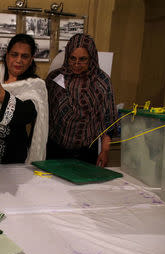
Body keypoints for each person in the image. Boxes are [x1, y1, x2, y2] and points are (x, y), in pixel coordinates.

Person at [45, 33, 117, 167]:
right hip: (54, 148)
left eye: (82, 59)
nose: (76, 64)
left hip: (86, 151)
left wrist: (105, 151)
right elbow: (44, 115)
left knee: (81, 187)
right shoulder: (54, 79)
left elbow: (108, 121)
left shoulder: (102, 82)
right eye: (72, 58)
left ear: (92, 58)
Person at [0, 34, 48, 164]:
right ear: (7, 55)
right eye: (15, 54)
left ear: (31, 60)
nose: (19, 60)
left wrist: (0, 93)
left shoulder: (34, 85)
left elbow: (27, 114)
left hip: (11, 156)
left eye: (24, 56)